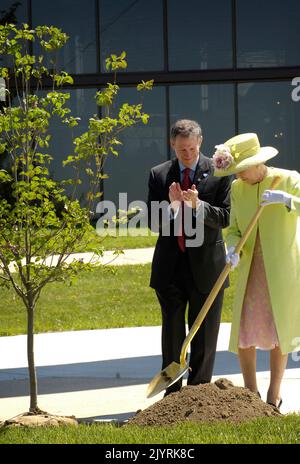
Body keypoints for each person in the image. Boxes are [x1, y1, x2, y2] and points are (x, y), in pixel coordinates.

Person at [213, 132, 300, 409]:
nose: (238, 177)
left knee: (279, 333)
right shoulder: (238, 189)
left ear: (257, 162)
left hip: (282, 268)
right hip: (252, 267)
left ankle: (274, 395)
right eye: (234, 172)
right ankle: (251, 396)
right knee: (243, 332)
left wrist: (287, 200)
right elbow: (235, 229)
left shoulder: (287, 179)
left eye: (241, 170)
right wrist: (231, 249)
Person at [147, 119, 233, 396]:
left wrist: (199, 205)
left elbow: (226, 217)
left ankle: (199, 393)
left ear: (201, 142)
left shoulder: (219, 173)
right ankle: (172, 394)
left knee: (205, 333)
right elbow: (152, 221)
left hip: (207, 267)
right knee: (172, 332)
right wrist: (172, 206)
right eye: (182, 149)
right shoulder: (159, 174)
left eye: (192, 149)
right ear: (172, 144)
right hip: (170, 267)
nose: (187, 154)